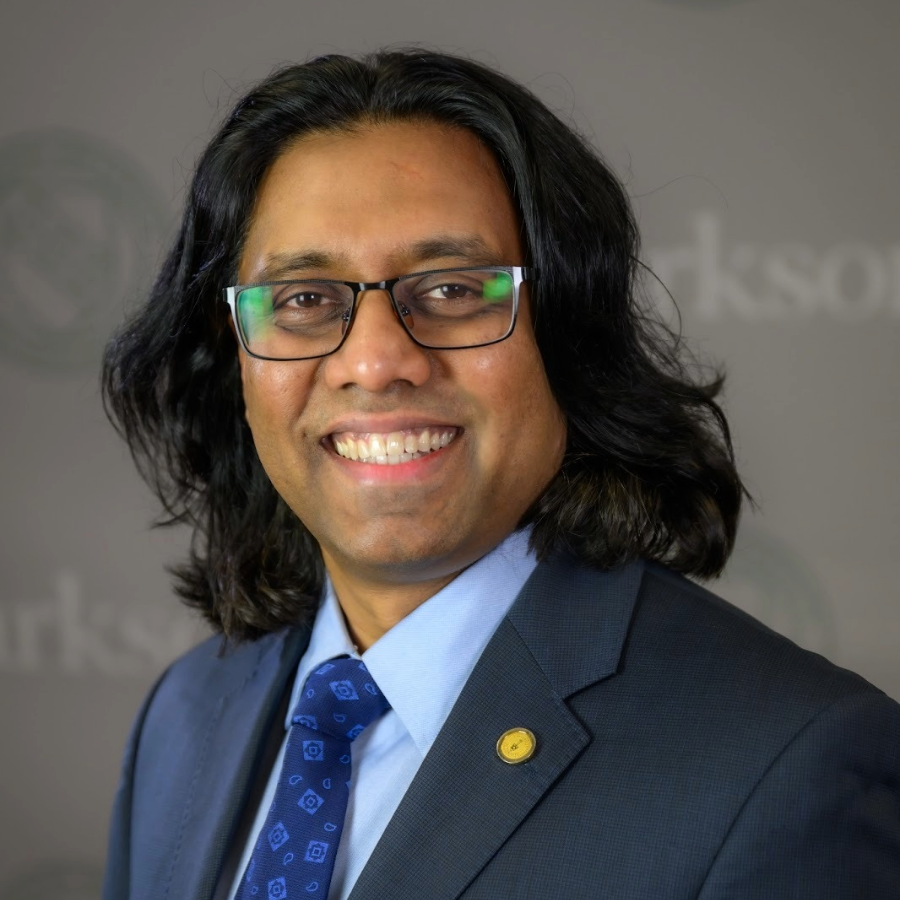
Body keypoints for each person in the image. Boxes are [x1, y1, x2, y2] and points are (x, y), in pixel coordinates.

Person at [101, 49, 900, 900]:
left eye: (451, 289)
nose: (374, 362)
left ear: (570, 336)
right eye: (305, 300)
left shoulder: (790, 767)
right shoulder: (186, 717)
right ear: (235, 360)